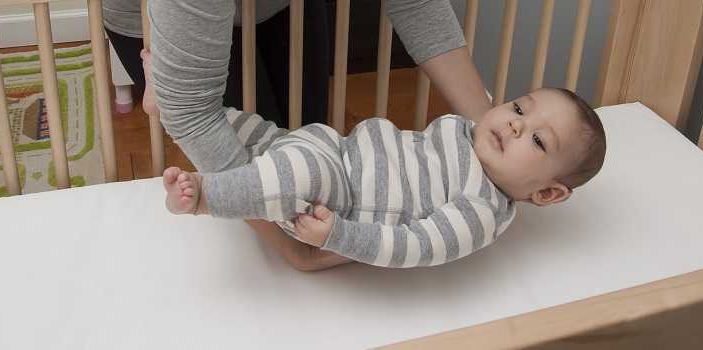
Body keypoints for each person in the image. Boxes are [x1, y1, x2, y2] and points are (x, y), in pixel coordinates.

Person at [146, 0, 497, 271]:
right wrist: (295, 248)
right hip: (182, 20)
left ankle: (164, 90)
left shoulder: (483, 195)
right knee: (284, 176)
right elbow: (192, 114)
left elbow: (418, 6)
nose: (515, 127)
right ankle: (165, 94)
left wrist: (488, 126)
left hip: (284, 14)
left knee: (284, 143)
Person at [161, 88, 606, 268]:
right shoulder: (470, 133)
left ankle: (206, 194)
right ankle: (169, 101)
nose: (515, 124)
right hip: (333, 146)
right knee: (257, 134)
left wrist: (339, 235)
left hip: (337, 199)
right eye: (519, 107)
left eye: (539, 141)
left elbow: (413, 245)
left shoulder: (480, 210)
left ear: (547, 192)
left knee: (290, 175)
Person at [103, 0, 330, 127]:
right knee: (255, 160)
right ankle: (174, 102)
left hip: (278, 6)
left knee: (310, 139)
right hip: (170, 13)